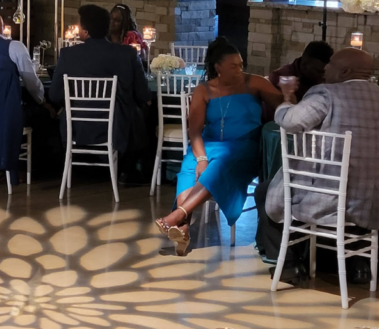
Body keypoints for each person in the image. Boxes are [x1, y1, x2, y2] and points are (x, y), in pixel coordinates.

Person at [154, 37, 283, 256]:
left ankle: (177, 216)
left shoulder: (255, 83)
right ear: (218, 67)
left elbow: (284, 107)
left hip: (243, 147)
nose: (239, 70)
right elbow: (194, 131)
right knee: (188, 170)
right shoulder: (204, 91)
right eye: (234, 66)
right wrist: (201, 158)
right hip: (208, 145)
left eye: (241, 65)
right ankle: (183, 228)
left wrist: (287, 94)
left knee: (216, 170)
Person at [267, 48, 379, 232]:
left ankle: (287, 257)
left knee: (266, 192)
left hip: (330, 201)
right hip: (373, 205)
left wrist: (287, 98)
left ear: (345, 72)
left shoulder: (326, 94)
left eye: (330, 64)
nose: (325, 68)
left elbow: (290, 122)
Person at [49, 5, 151, 181]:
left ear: (85, 30)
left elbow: (54, 95)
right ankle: (133, 170)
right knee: (142, 113)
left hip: (77, 127)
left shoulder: (68, 55)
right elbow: (143, 94)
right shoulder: (128, 54)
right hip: (117, 128)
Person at [0, 13, 45, 106]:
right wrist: (41, 100)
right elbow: (31, 82)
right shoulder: (16, 47)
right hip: (9, 108)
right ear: (3, 28)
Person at [269, 41, 333, 103]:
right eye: (319, 72)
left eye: (326, 72)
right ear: (304, 64)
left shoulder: (324, 79)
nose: (323, 77)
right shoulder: (280, 79)